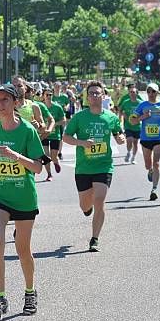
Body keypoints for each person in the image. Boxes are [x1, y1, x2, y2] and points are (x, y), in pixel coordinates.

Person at [0, 84, 46, 321]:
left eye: (5, 100)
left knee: (22, 250)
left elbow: (38, 167)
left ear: (16, 103)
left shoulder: (28, 131)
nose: (0, 104)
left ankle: (30, 291)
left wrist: (16, 156)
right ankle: (0, 299)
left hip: (23, 197)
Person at [63, 80, 125, 252]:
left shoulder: (110, 117)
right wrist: (82, 142)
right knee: (85, 205)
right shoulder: (80, 117)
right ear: (87, 97)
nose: (95, 96)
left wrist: (121, 138)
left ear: (103, 96)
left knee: (99, 200)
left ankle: (94, 238)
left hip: (104, 166)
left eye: (98, 93)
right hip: (83, 168)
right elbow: (66, 137)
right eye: (92, 93)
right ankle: (87, 209)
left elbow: (118, 133)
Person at [131, 83, 160, 201]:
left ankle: (154, 189)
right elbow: (133, 121)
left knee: (156, 163)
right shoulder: (142, 105)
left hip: (158, 138)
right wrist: (143, 117)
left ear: (157, 92)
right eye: (149, 91)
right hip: (145, 139)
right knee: (148, 165)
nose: (151, 94)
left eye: (153, 91)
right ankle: (150, 170)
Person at [41, 88, 66, 180]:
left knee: (53, 156)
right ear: (43, 96)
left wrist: (55, 124)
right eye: (47, 95)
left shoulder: (57, 107)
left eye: (50, 95)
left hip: (55, 135)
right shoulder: (40, 107)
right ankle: (49, 174)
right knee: (46, 156)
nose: (49, 97)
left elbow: (64, 121)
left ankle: (56, 162)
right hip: (44, 134)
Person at [119, 86, 143, 164]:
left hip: (137, 126)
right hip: (128, 125)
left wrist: (139, 119)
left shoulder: (140, 103)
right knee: (129, 140)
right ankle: (129, 152)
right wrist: (122, 119)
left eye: (134, 92)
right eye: (131, 92)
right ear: (129, 94)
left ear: (136, 94)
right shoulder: (126, 102)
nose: (132, 94)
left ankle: (133, 157)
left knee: (135, 143)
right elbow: (121, 111)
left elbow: (145, 113)